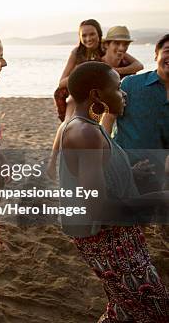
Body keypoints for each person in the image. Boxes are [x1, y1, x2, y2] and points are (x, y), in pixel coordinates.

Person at [58, 61, 169, 322]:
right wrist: (157, 200)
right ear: (97, 95)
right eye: (118, 88)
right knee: (155, 309)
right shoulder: (84, 133)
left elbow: (97, 174)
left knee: (125, 309)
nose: (124, 94)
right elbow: (97, 206)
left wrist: (130, 173)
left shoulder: (91, 127)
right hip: (107, 241)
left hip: (118, 235)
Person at [47, 21, 142, 179]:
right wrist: (81, 74)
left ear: (100, 35)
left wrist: (113, 72)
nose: (88, 38)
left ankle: (105, 154)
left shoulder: (109, 49)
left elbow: (138, 65)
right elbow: (62, 81)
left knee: (106, 117)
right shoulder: (77, 53)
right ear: (79, 37)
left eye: (92, 34)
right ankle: (52, 161)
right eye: (84, 35)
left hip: (104, 86)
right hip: (80, 88)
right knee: (69, 120)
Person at [102, 33, 169, 193]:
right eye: (167, 50)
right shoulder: (131, 84)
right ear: (156, 55)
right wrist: (106, 161)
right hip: (125, 172)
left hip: (161, 179)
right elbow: (108, 120)